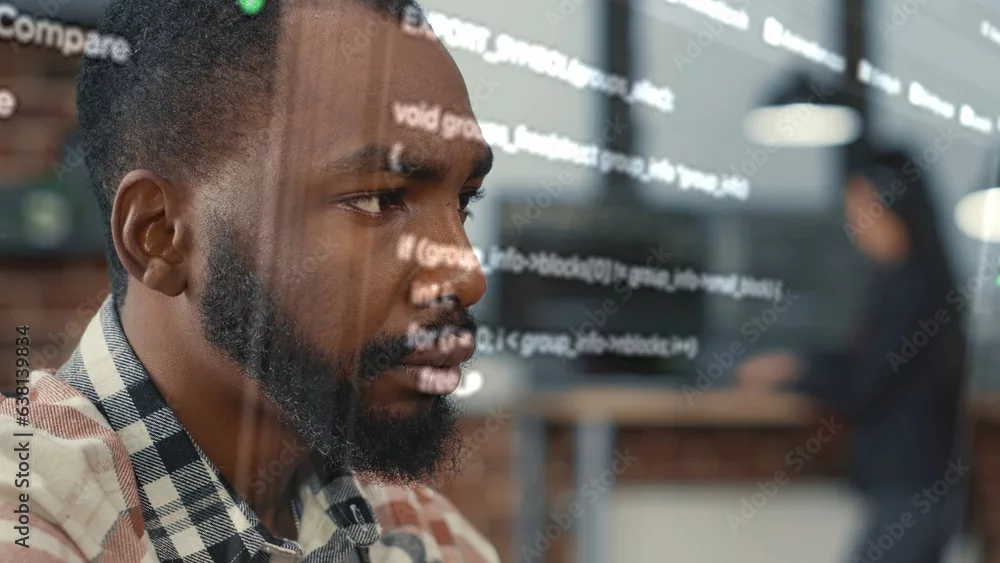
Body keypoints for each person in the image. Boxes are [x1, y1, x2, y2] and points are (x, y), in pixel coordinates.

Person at [0, 1, 500, 561]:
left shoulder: (426, 536)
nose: (467, 274)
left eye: (464, 201)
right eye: (377, 200)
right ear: (159, 236)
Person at [737, 149, 968, 563]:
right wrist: (796, 366)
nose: (854, 223)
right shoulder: (901, 283)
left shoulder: (916, 290)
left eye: (863, 208)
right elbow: (864, 364)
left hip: (912, 484)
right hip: (908, 485)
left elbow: (862, 381)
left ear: (895, 208)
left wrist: (796, 375)